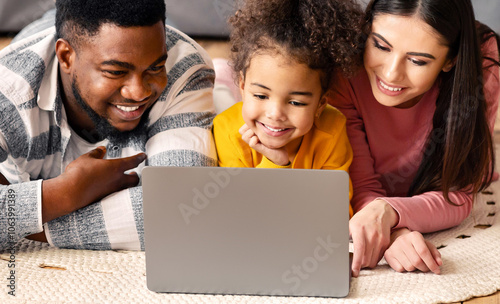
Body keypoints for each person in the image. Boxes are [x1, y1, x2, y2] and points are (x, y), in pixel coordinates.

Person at [0, 0, 217, 251]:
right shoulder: (7, 90)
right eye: (115, 72)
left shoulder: (184, 68)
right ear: (66, 57)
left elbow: (184, 208)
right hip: (38, 38)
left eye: (155, 68)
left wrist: (38, 216)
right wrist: (66, 192)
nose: (138, 92)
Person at [328, 0, 500, 277]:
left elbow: (456, 191)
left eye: (418, 60)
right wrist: (395, 230)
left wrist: (389, 213)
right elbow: (359, 185)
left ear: (450, 60)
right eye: (381, 46)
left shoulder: (483, 60)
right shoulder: (345, 63)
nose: (391, 73)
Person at [212, 0, 366, 217]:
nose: (275, 114)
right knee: (217, 97)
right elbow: (238, 216)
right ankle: (220, 80)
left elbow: (335, 215)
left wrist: (281, 164)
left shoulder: (332, 129)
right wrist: (275, 164)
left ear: (320, 104)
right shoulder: (227, 130)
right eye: (260, 95)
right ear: (243, 85)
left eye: (296, 102)